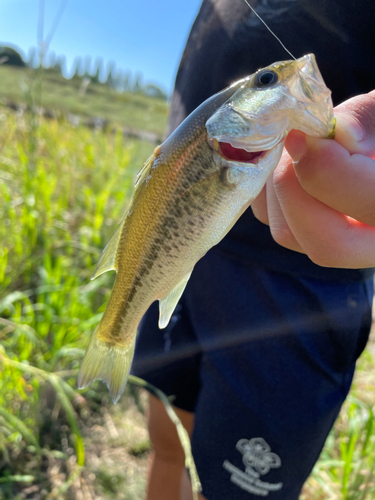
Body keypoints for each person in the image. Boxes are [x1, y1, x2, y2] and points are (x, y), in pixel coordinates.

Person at [132, 0, 375, 498]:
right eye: (267, 82)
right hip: (176, 249)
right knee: (166, 436)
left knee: (235, 488)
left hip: (300, 283)